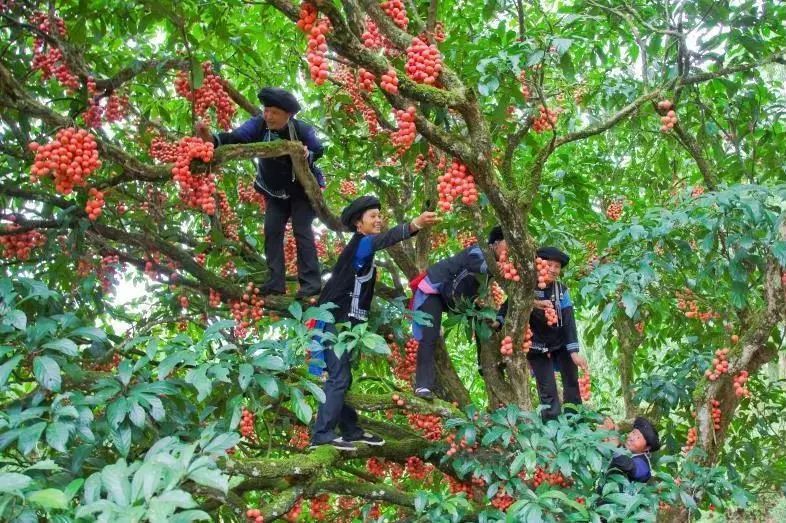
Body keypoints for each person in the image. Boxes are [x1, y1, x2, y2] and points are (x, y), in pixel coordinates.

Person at [309, 196, 439, 451]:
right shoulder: (361, 245)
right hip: (334, 322)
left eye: (380, 215)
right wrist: (414, 224)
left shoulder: (361, 249)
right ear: (359, 224)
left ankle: (350, 430)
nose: (378, 220)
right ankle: (321, 434)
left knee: (342, 378)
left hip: (345, 325)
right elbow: (383, 240)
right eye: (373, 216)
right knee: (338, 377)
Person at [196, 87, 325, 298]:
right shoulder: (258, 124)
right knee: (272, 232)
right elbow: (237, 137)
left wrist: (305, 152)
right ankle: (275, 283)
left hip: (303, 192)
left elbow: (317, 149)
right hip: (274, 192)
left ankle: (311, 284)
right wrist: (213, 139)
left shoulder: (302, 129)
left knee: (302, 230)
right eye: (266, 111)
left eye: (274, 112)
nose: (268, 116)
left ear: (288, 115)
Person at [409, 226, 508, 400]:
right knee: (429, 336)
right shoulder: (479, 251)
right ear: (495, 243)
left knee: (485, 320)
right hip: (435, 290)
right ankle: (422, 386)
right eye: (508, 244)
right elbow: (477, 264)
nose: (510, 251)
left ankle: (483, 365)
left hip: (458, 300)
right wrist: (496, 269)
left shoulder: (499, 264)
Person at [526, 246, 589, 420]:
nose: (553, 270)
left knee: (571, 382)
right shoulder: (525, 286)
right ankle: (551, 428)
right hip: (536, 345)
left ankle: (575, 422)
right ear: (539, 264)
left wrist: (574, 352)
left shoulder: (562, 290)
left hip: (560, 342)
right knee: (548, 391)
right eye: (550, 265)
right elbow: (508, 308)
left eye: (557, 266)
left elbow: (568, 320)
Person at [602, 416, 660, 483]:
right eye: (633, 432)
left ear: (647, 448)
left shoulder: (643, 463)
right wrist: (611, 432)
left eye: (638, 437)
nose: (632, 438)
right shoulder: (628, 451)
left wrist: (616, 447)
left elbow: (629, 466)